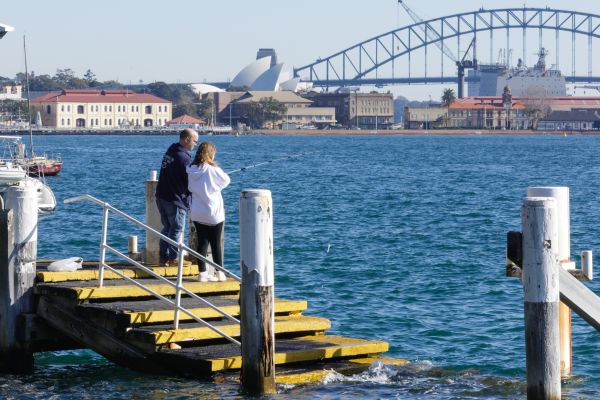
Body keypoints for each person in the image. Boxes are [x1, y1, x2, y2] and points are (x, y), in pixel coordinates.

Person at [187, 141, 230, 282]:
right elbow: (226, 180)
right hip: (213, 212)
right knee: (215, 242)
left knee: (202, 242)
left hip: (197, 211)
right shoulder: (213, 169)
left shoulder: (191, 169)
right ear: (211, 154)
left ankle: (202, 274)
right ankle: (219, 273)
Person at [156, 128, 199, 267]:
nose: (195, 144)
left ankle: (163, 256)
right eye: (194, 141)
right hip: (174, 199)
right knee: (176, 228)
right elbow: (190, 179)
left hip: (161, 196)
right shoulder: (184, 158)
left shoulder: (171, 151)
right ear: (187, 139)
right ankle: (174, 258)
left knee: (167, 227)